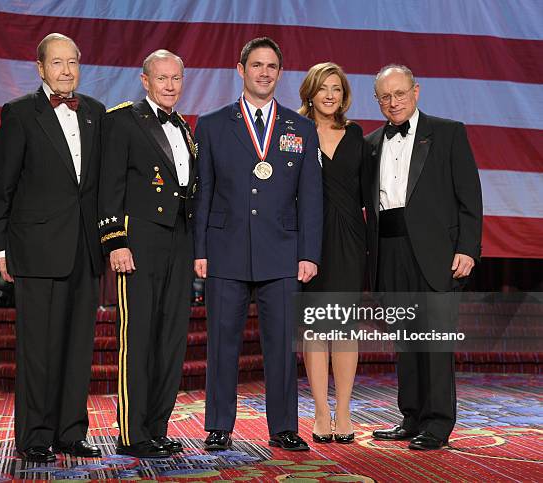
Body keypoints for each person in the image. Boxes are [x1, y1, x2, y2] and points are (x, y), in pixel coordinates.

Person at [194, 37, 323, 452]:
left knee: (282, 347)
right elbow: (204, 192)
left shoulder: (301, 127)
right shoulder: (212, 124)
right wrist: (200, 250)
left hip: (283, 252)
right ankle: (219, 425)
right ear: (240, 70)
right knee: (222, 343)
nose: (264, 72)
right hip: (225, 249)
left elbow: (312, 196)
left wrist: (309, 253)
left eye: (271, 66)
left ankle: (284, 426)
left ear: (280, 74)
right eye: (256, 65)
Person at [0, 33, 105, 462]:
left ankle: (71, 432)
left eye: (72, 62)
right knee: (38, 349)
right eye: (57, 63)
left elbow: (98, 188)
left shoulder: (94, 112)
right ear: (40, 69)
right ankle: (36, 436)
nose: (66, 71)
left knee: (78, 347)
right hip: (35, 250)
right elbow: (2, 186)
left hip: (85, 250)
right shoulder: (19, 114)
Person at [364, 64, 482, 450]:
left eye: (400, 93)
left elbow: (470, 198)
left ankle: (437, 422)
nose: (393, 102)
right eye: (386, 96)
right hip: (389, 249)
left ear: (416, 92)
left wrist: (467, 247)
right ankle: (411, 415)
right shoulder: (370, 143)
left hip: (436, 254)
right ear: (377, 100)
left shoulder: (448, 133)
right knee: (405, 340)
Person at [98, 50, 196, 459]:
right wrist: (115, 241)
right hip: (138, 241)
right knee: (137, 337)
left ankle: (157, 427)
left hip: (180, 241)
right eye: (162, 78)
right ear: (144, 80)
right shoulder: (123, 119)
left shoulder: (186, 128)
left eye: (176, 78)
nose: (170, 85)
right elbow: (109, 186)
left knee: (170, 338)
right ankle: (132, 433)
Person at [298, 63, 367, 444]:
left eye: (337, 89)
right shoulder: (296, 132)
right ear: (310, 91)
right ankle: (321, 412)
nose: (330, 95)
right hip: (309, 240)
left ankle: (343, 410)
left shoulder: (356, 135)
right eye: (323, 88)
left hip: (349, 241)